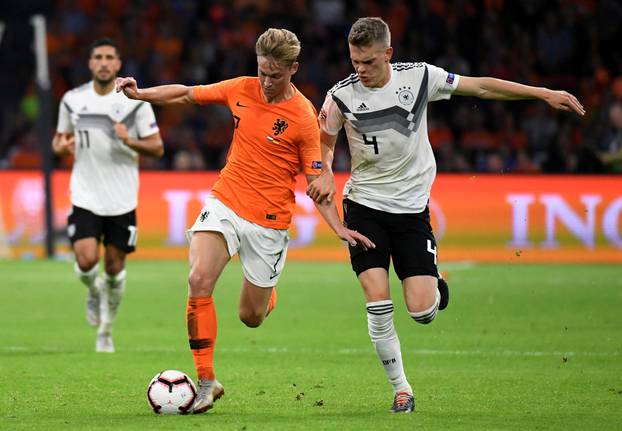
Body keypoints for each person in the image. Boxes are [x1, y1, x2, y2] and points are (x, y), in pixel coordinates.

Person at [306, 17, 585, 414]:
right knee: (377, 298)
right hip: (363, 205)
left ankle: (434, 283)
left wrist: (541, 93)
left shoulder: (419, 78)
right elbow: (324, 143)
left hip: (410, 211)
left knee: (421, 312)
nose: (360, 70)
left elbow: (482, 85)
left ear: (388, 53)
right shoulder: (340, 97)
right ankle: (401, 389)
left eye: (368, 62)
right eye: (354, 62)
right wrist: (327, 173)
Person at [115, 28, 374, 414]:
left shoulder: (304, 118)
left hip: (269, 221)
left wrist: (337, 226)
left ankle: (266, 295)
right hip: (226, 199)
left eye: (276, 75)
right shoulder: (241, 88)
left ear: (294, 69)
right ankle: (206, 382)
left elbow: (317, 183)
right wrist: (141, 94)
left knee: (250, 317)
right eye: (262, 72)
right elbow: (188, 92)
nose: (267, 82)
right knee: (198, 278)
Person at [53, 38, 164, 353]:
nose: (103, 62)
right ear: (90, 63)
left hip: (122, 199)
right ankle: (92, 289)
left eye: (109, 58)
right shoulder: (72, 100)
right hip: (85, 194)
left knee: (114, 268)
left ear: (118, 64)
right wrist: (61, 148)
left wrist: (129, 140)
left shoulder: (136, 103)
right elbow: (59, 142)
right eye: (97, 57)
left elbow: (157, 148)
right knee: (86, 260)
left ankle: (106, 329)